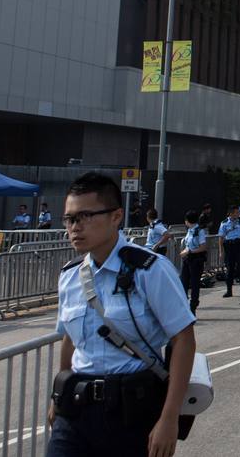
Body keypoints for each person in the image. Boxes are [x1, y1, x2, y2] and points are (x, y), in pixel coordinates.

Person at [47, 172, 195, 457]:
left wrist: (169, 418)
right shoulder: (70, 276)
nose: (75, 227)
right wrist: (58, 396)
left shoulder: (150, 270)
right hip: (75, 411)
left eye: (85, 216)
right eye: (69, 219)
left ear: (116, 217)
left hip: (131, 412)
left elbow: (184, 340)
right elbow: (70, 339)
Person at [178, 212, 207, 314]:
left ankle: (193, 307)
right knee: (183, 282)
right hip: (187, 259)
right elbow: (188, 244)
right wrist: (185, 251)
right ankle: (183, 306)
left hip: (196, 260)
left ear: (187, 221)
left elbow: (203, 247)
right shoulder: (190, 231)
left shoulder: (200, 231)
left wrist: (189, 251)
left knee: (194, 284)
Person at [218, 206, 240, 298]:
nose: (238, 214)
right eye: (236, 212)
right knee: (229, 269)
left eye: (238, 212)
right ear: (230, 213)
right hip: (229, 247)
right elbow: (221, 238)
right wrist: (221, 251)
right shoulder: (224, 223)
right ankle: (229, 290)